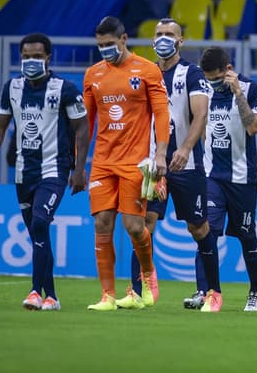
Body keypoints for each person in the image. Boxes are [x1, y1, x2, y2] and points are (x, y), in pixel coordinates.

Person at [0, 33, 89, 310]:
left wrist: (79, 169)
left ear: (48, 58)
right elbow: (0, 126)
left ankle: (33, 292)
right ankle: (50, 296)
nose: (31, 61)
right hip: (23, 172)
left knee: (40, 222)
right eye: (26, 56)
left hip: (54, 169)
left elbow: (82, 128)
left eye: (37, 56)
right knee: (37, 233)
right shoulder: (12, 88)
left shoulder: (65, 89)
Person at [82, 16, 169, 311]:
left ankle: (147, 275)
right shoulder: (93, 75)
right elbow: (86, 124)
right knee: (102, 223)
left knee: (134, 227)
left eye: (110, 44)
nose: (105, 49)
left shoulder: (147, 70)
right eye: (100, 45)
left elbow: (161, 115)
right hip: (103, 162)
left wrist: (160, 154)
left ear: (124, 39)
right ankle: (107, 295)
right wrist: (78, 163)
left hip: (135, 162)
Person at [137, 19, 220, 312]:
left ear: (180, 41)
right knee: (143, 224)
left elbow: (201, 115)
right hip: (152, 164)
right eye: (159, 34)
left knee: (197, 227)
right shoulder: (143, 74)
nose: (163, 39)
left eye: (169, 35)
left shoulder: (192, 73)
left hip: (186, 163)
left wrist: (185, 148)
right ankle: (139, 290)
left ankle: (213, 292)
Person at [198, 46, 257, 313]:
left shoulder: (253, 88)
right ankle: (211, 293)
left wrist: (237, 92)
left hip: (242, 178)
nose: (211, 84)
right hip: (212, 176)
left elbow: (253, 127)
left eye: (215, 78)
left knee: (247, 236)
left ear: (228, 71)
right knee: (207, 233)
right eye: (207, 79)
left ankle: (255, 293)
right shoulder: (204, 91)